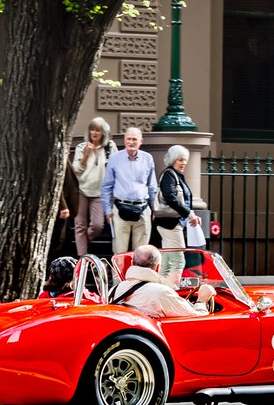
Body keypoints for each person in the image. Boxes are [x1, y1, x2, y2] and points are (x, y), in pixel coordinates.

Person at [110, 245, 214, 318]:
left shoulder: (113, 291)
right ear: (157, 268)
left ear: (132, 262)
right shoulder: (162, 293)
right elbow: (195, 317)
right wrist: (202, 300)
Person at [101, 127, 157, 255]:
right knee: (120, 253)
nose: (131, 142)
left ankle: (138, 276)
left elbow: (152, 185)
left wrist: (154, 209)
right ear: (124, 140)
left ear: (140, 141)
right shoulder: (115, 158)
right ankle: (118, 276)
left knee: (142, 254)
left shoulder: (147, 158)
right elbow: (106, 186)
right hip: (120, 209)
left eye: (134, 139)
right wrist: (107, 210)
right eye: (128, 139)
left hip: (143, 209)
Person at [71, 117, 119, 255]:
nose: (94, 133)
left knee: (97, 226)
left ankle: (83, 243)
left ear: (103, 132)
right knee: (80, 225)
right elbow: (75, 170)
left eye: (98, 130)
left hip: (99, 193)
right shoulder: (82, 147)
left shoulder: (110, 147)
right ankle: (83, 258)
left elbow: (115, 168)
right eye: (92, 129)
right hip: (81, 191)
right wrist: (86, 156)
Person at [154, 144, 202, 278]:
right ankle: (172, 290)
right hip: (169, 224)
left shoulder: (176, 175)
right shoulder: (169, 174)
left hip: (173, 223)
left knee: (167, 261)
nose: (184, 163)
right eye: (180, 159)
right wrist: (189, 214)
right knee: (178, 261)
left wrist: (189, 214)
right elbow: (171, 198)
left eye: (185, 160)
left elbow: (181, 200)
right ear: (173, 159)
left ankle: (161, 289)